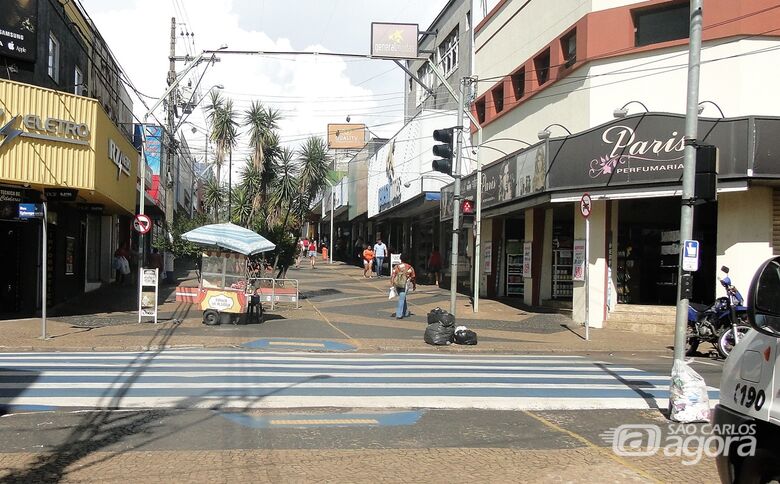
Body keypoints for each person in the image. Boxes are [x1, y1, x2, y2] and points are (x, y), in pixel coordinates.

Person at [390, 254, 416, 319]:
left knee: (402, 297)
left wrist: (392, 284)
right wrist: (414, 285)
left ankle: (405, 312)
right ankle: (399, 314)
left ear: (400, 259)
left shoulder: (396, 267)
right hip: (405, 284)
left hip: (397, 284)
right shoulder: (410, 267)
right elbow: (413, 277)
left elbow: (393, 275)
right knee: (402, 298)